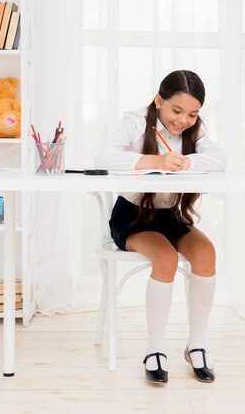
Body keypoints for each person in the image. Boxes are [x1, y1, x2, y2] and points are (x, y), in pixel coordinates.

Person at [95, 70, 227, 384]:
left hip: (172, 216)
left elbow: (220, 160)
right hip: (134, 216)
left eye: (192, 114)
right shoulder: (136, 122)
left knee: (206, 253)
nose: (183, 120)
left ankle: (197, 344)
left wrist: (187, 161)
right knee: (165, 258)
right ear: (159, 100)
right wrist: (155, 162)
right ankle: (155, 349)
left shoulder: (194, 133)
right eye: (176, 111)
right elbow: (103, 157)